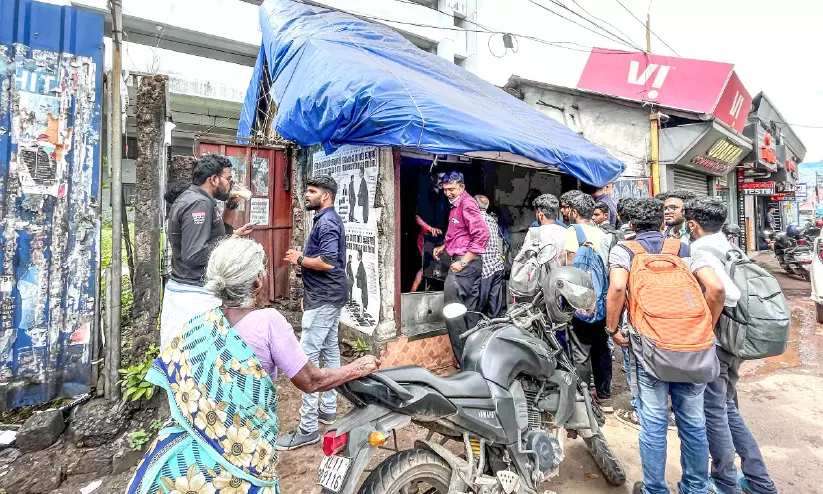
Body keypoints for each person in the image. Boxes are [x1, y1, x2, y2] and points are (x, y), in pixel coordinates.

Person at [126, 237, 379, 494]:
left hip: (173, 466)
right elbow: (311, 380)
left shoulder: (198, 325)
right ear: (258, 281)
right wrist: (356, 368)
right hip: (232, 470)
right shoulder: (268, 322)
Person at [606, 198, 726, 494]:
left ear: (630, 225)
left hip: (649, 348)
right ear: (662, 223)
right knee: (693, 421)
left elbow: (618, 288)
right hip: (691, 345)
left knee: (654, 421)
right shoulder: (685, 248)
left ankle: (655, 489)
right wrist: (704, 326)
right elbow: (716, 288)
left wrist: (612, 329)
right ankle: (695, 487)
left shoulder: (624, 249)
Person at [685, 199, 777, 494]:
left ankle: (726, 482)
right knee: (726, 408)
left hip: (721, 342)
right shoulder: (727, 243)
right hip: (738, 339)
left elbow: (725, 292)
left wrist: (706, 328)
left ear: (692, 224)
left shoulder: (701, 249)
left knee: (714, 412)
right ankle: (758, 480)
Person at [278, 175, 348, 450]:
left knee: (304, 361)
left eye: (311, 191)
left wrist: (300, 259)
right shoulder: (325, 219)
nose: (306, 195)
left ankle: (307, 427)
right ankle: (328, 409)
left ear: (326, 196)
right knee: (330, 352)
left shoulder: (328, 222)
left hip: (325, 298)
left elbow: (328, 261)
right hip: (326, 297)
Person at [161, 155, 254, 349]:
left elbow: (218, 234)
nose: (230, 184)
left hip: (190, 290)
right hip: (193, 295)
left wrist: (231, 206)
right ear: (214, 179)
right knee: (196, 357)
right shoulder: (198, 204)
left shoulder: (200, 199)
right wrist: (231, 243)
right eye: (228, 179)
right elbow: (194, 254)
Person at [560, 190, 612, 412]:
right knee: (601, 347)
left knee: (580, 350)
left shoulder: (574, 231)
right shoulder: (604, 233)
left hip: (582, 301)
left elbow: (572, 268)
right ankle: (604, 395)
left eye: (566, 210)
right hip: (603, 299)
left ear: (573, 211)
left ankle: (583, 399)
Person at [433, 171, 490, 362]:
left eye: (452, 189)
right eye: (445, 189)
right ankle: (475, 358)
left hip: (465, 265)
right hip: (467, 263)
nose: (448, 193)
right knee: (469, 313)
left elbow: (482, 234)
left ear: (462, 187)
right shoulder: (457, 205)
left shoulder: (467, 204)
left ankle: (463, 360)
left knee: (453, 312)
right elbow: (461, 234)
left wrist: (463, 261)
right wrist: (445, 246)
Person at [412, 173, 448, 292]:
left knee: (439, 267)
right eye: (440, 178)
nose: (442, 181)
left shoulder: (445, 197)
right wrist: (430, 228)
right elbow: (417, 217)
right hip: (425, 237)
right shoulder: (424, 196)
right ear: (432, 178)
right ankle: (412, 291)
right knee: (425, 266)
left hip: (441, 239)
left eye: (444, 179)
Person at [475, 195, 505, 318]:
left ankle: (475, 327)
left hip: (485, 268)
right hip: (497, 266)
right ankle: (494, 327)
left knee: (479, 303)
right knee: (495, 304)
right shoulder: (492, 220)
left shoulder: (475, 219)